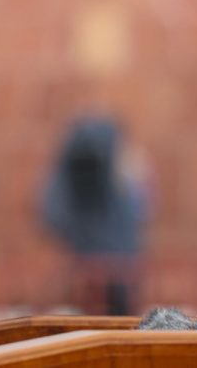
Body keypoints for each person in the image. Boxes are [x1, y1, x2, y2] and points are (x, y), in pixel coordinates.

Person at [39, 115, 147, 316]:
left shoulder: (84, 166)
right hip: (107, 270)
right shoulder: (109, 166)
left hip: (109, 271)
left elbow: (53, 212)